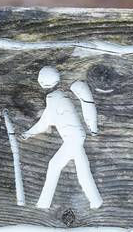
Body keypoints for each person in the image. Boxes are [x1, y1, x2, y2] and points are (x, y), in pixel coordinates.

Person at [20, 66, 103, 210]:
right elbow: (47, 121)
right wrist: (28, 133)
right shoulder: (58, 97)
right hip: (75, 138)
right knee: (82, 172)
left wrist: (27, 133)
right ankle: (96, 201)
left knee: (54, 166)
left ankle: (43, 204)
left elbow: (45, 122)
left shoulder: (55, 99)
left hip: (73, 139)